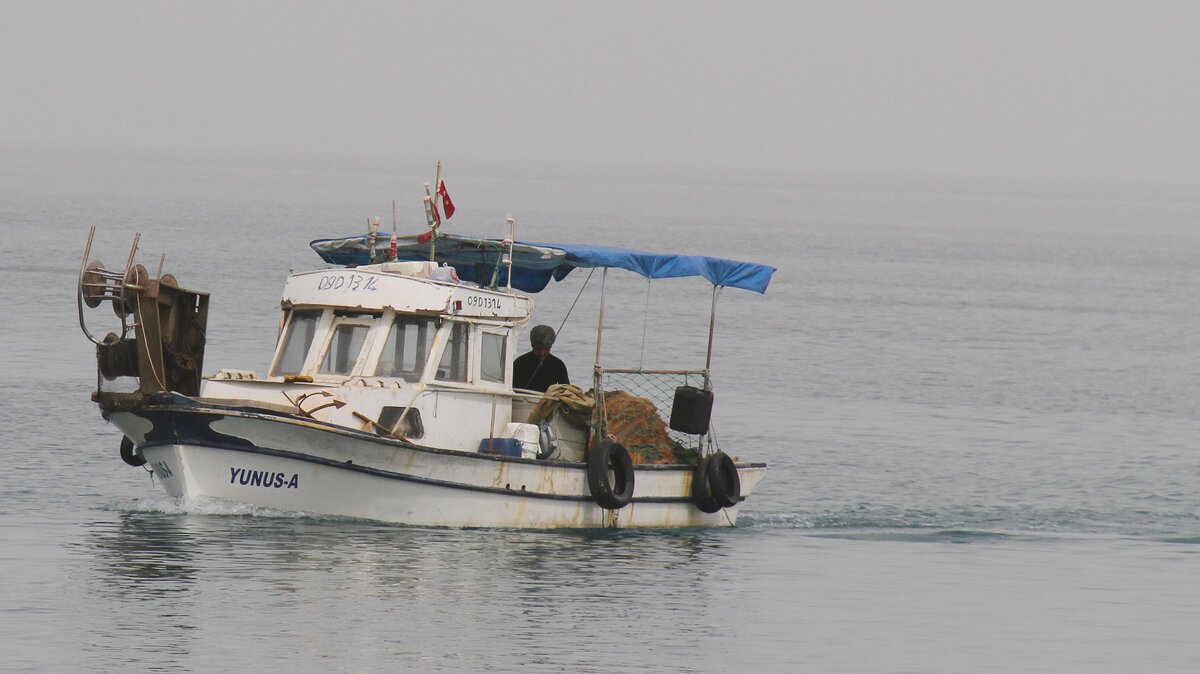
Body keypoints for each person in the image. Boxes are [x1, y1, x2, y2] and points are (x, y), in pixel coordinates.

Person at [513, 325, 569, 392]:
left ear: (550, 347)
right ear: (532, 345)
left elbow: (566, 391)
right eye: (538, 349)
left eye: (546, 349)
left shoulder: (558, 365)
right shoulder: (520, 363)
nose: (542, 353)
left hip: (550, 401)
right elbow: (514, 388)